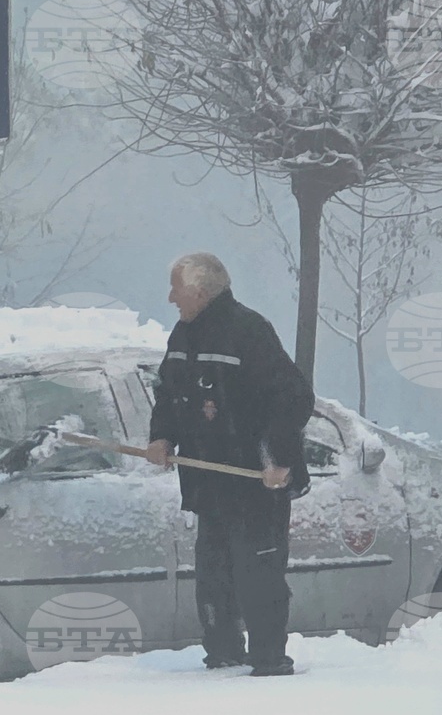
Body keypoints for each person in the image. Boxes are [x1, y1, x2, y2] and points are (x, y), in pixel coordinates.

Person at [146, 253, 314, 677]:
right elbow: (168, 393)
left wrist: (276, 458)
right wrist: (161, 437)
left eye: (176, 289)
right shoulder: (183, 335)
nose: (170, 298)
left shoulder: (249, 331)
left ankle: (269, 662)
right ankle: (221, 653)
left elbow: (293, 399)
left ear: (200, 292)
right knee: (213, 575)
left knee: (258, 576)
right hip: (208, 481)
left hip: (255, 483)